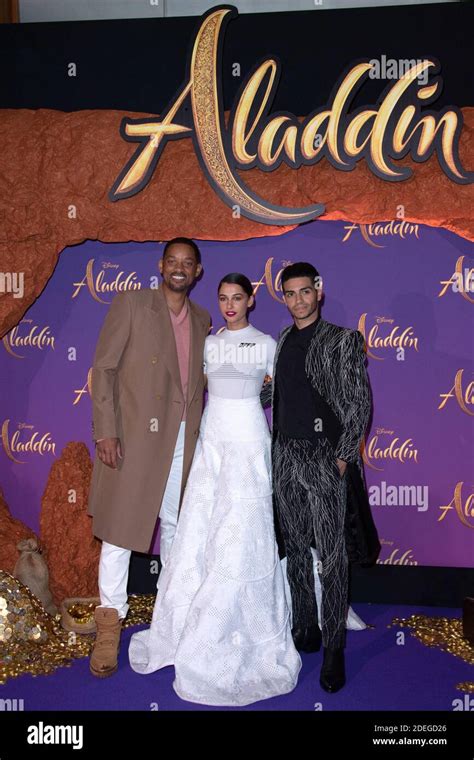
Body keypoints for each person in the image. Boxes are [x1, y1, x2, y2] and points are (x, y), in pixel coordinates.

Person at [129, 273, 301, 706]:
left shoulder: (267, 344)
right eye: (223, 298)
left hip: (249, 441)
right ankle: (186, 623)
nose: (229, 305)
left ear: (251, 300)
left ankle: (245, 625)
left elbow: (281, 395)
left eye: (237, 298)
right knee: (203, 527)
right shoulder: (207, 342)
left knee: (244, 530)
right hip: (211, 442)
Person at [87, 238, 210, 677]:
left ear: (197, 272)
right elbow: (103, 368)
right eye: (172, 261)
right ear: (161, 266)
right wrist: (106, 430)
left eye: (188, 263)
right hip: (136, 439)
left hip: (181, 442)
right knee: (120, 531)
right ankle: (109, 626)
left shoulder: (202, 318)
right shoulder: (133, 303)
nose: (179, 268)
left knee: (178, 528)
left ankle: (170, 620)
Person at [267, 261, 372, 693]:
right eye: (290, 293)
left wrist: (343, 459)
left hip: (324, 459)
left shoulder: (343, 340)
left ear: (319, 291)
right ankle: (305, 628)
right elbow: (278, 393)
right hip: (286, 456)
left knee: (331, 556)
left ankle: (334, 646)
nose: (298, 300)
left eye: (304, 291)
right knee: (294, 547)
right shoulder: (283, 339)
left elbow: (359, 405)